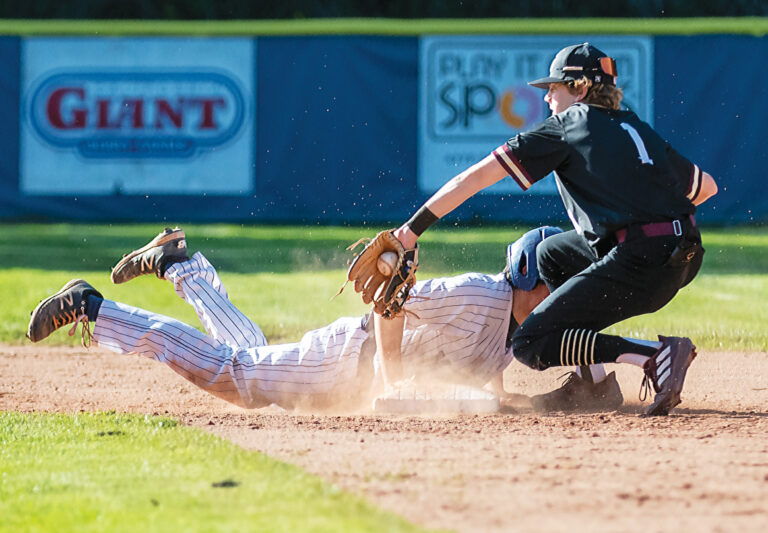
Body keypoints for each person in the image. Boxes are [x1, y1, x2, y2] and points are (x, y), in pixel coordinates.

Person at [384, 43, 718, 416]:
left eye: (553, 88)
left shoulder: (567, 126)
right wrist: (653, 222)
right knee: (551, 254)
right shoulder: (635, 126)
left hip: (643, 261)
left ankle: (653, 356)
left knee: (531, 343)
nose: (546, 99)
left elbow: (474, 178)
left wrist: (410, 232)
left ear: (580, 88)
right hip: (685, 254)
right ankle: (593, 385)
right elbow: (705, 188)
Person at [26, 226, 601, 412]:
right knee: (236, 376)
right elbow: (390, 299)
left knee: (248, 351)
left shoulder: (517, 329)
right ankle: (95, 309)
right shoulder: (479, 295)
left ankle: (184, 265)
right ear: (536, 277)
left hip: (344, 363)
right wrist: (391, 379)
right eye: (562, 285)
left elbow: (484, 382)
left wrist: (540, 403)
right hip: (346, 360)